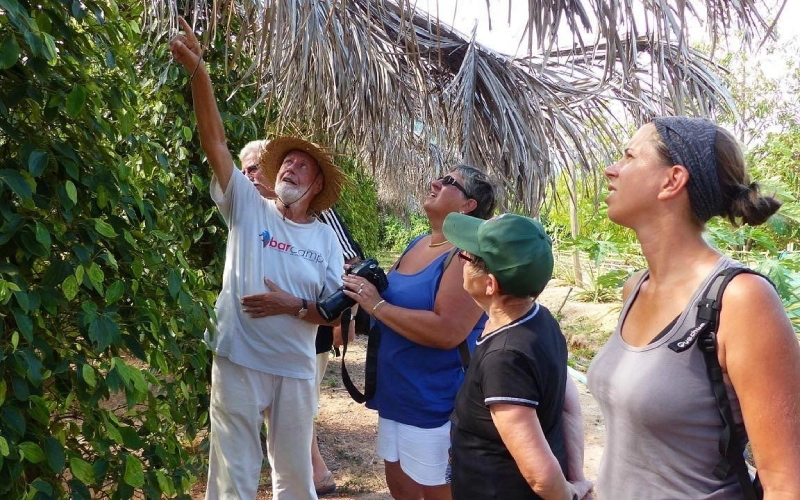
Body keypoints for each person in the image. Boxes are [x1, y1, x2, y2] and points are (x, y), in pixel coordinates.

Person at [170, 19, 345, 499]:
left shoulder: (327, 239)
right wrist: (199, 72)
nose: (291, 166)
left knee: (294, 477)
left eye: (303, 166)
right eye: (287, 161)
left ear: (315, 187)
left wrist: (292, 305)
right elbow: (216, 144)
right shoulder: (248, 205)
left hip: (294, 365)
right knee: (233, 476)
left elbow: (333, 310)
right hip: (239, 358)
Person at [587, 116, 800, 498]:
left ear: (672, 180)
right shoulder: (635, 288)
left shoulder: (740, 299)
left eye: (629, 156)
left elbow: (785, 481)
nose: (611, 169)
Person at [338, 166, 495, 500]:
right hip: (396, 395)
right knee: (401, 488)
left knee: (438, 491)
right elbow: (389, 301)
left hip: (433, 402)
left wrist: (376, 305)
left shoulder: (467, 255)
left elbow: (448, 331)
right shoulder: (418, 243)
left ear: (468, 206)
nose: (434, 182)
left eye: (449, 182)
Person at [239, 141, 361, 496]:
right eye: (245, 170)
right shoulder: (252, 215)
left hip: (310, 336)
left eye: (254, 169)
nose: (251, 176)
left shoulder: (322, 223)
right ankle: (316, 472)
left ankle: (317, 474)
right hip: (252, 351)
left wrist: (338, 319)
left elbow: (346, 268)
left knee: (295, 420)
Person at [442, 212, 591, 500]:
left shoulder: (504, 358)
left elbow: (541, 476)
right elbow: (568, 407)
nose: (460, 258)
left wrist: (570, 494)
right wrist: (576, 478)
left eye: (466, 257)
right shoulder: (542, 320)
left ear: (490, 284)